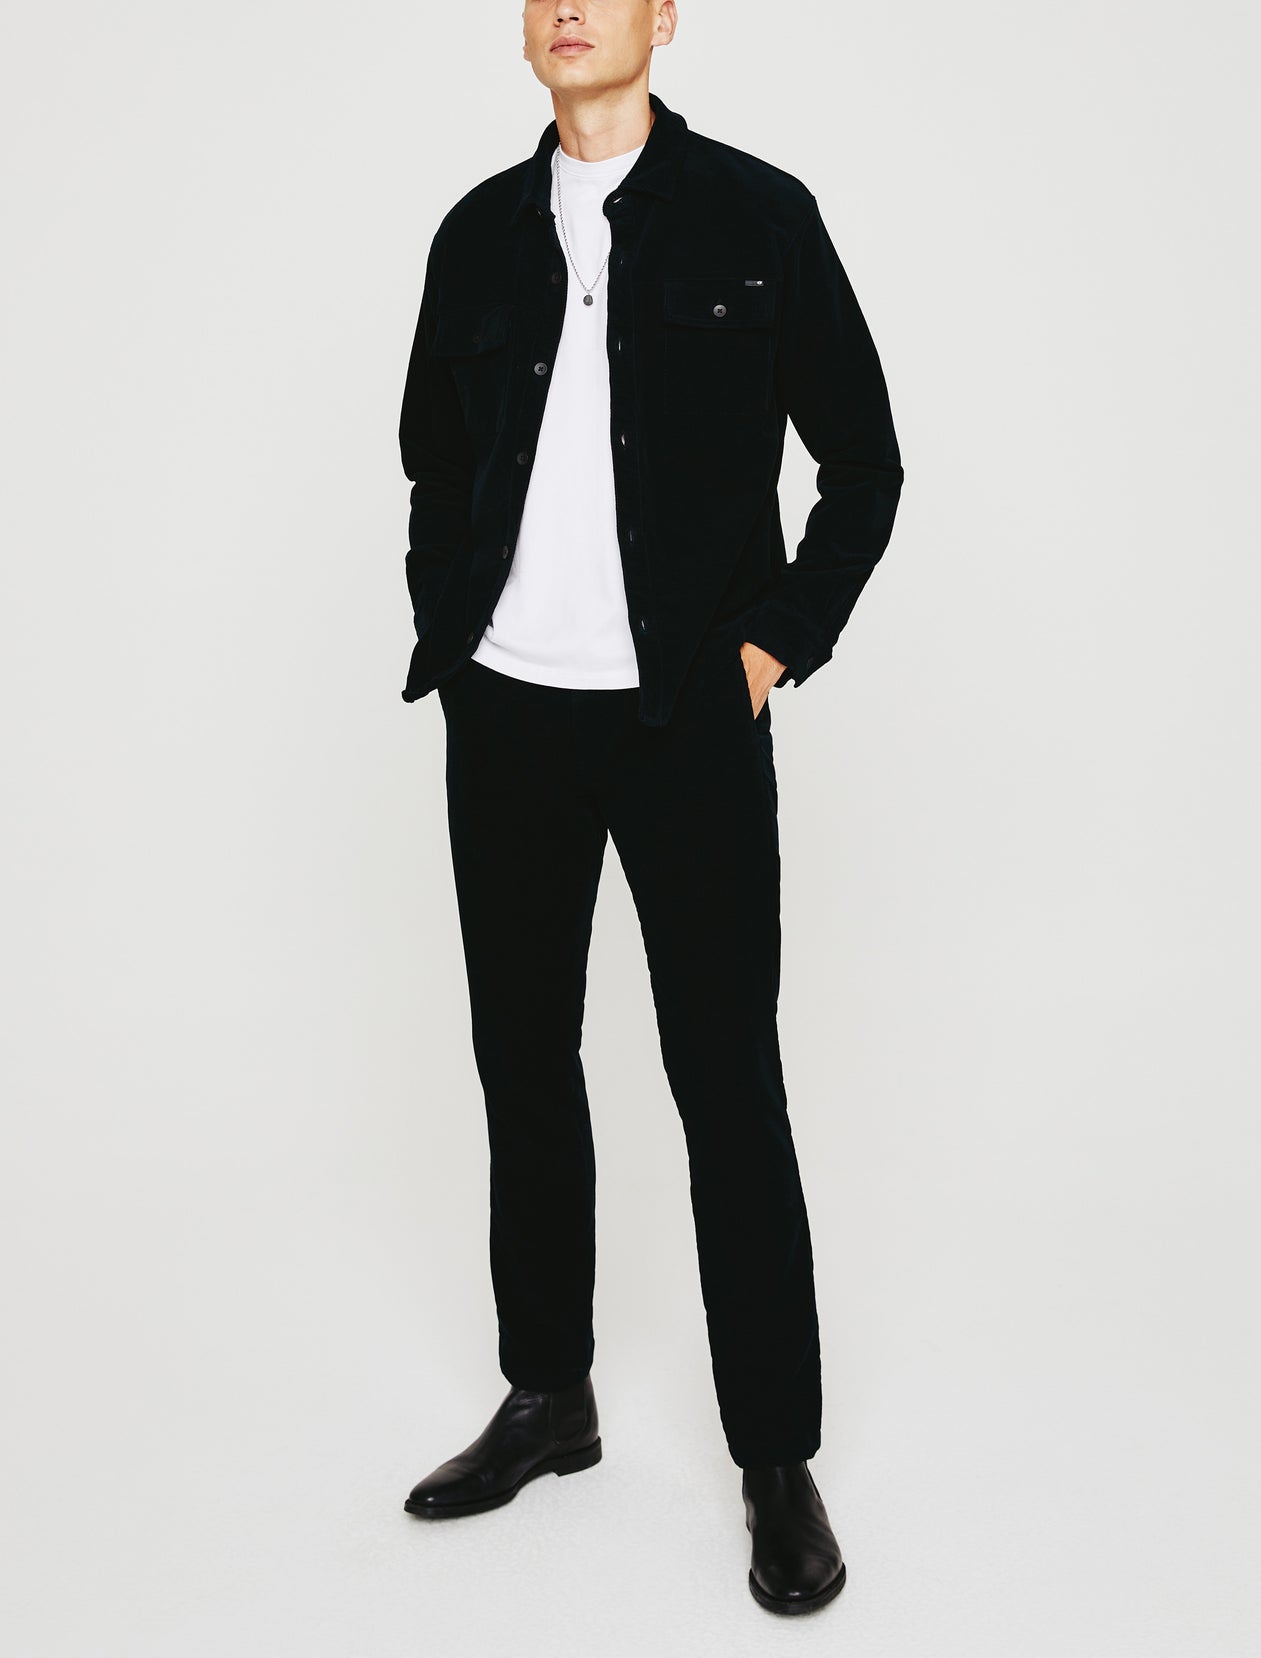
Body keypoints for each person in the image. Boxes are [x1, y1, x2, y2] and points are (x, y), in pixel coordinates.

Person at [396, 1, 902, 1617]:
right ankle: (549, 1393)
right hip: (506, 713)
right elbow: (431, 463)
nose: (566, 8)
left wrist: (773, 642)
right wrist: (454, 629)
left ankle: (774, 1455)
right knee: (522, 1057)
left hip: (686, 715)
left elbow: (864, 463)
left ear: (662, 15)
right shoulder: (477, 233)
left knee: (723, 1078)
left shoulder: (758, 215)